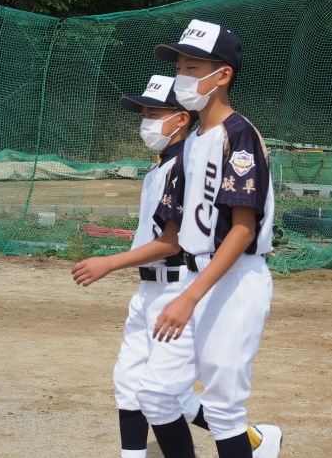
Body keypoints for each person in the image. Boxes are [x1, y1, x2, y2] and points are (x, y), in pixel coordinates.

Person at [71, 75, 276, 458]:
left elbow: (180, 239)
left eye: (153, 113)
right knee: (143, 388)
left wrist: (111, 263)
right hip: (160, 285)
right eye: (144, 114)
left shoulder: (218, 143)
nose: (145, 122)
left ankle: (256, 440)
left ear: (180, 118)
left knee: (207, 402)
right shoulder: (172, 162)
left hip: (190, 281)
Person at [132, 19, 281, 458]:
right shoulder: (193, 141)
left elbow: (242, 229)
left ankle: (259, 444)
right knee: (156, 394)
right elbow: (176, 230)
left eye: (193, 67)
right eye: (179, 66)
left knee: (223, 411)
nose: (182, 75)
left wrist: (189, 297)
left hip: (234, 281)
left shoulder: (238, 134)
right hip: (194, 277)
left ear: (222, 75)